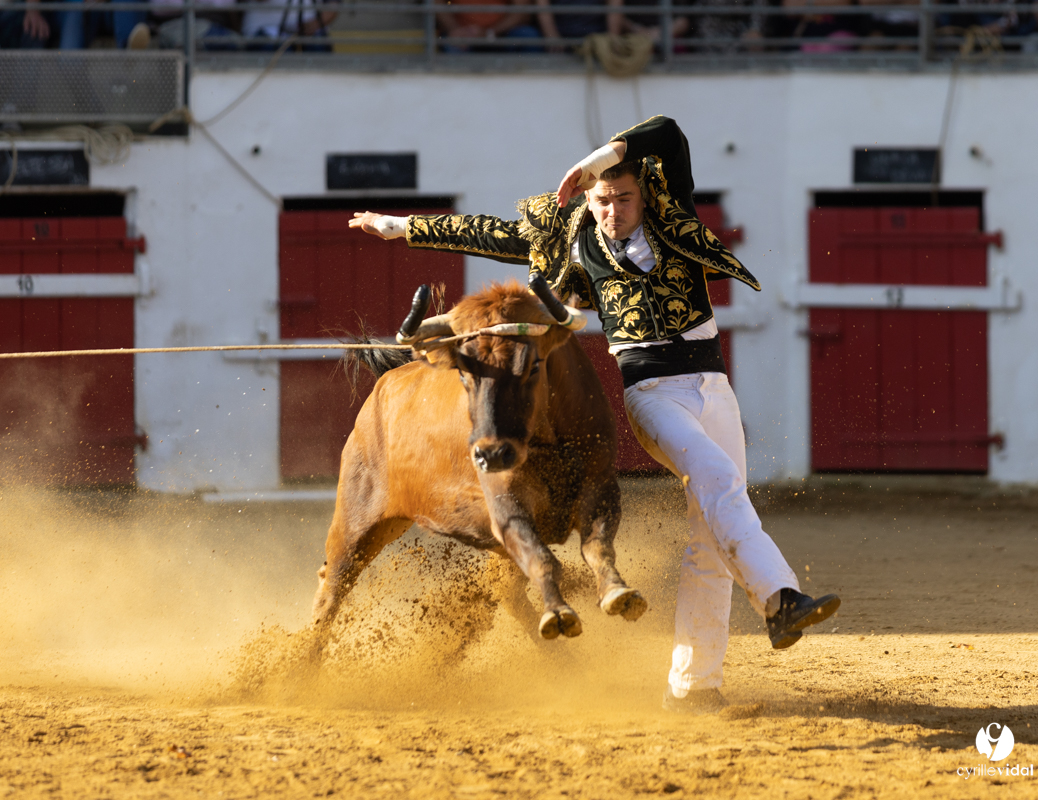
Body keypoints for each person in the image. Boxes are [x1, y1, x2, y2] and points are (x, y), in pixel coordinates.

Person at [347, 115, 841, 714]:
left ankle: (693, 687)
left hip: (715, 387)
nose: (612, 210)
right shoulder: (574, 245)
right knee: (716, 482)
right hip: (654, 393)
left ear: (643, 194)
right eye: (602, 201)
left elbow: (669, 134)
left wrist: (595, 161)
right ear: (591, 203)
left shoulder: (669, 213)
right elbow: (488, 232)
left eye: (623, 197)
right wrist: (402, 228)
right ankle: (780, 598)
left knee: (709, 538)